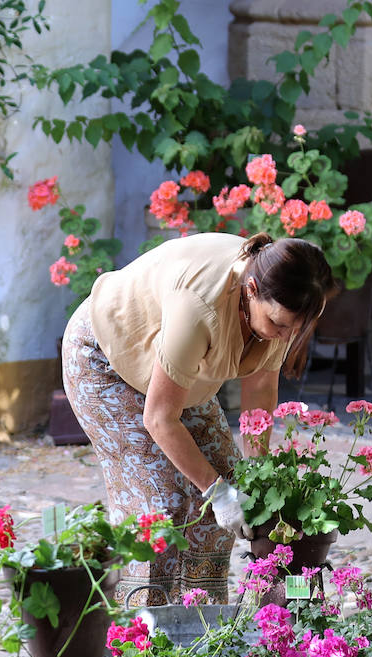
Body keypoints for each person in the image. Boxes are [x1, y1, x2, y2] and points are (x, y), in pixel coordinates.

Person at [61, 231, 336, 603]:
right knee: (161, 505)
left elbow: (259, 394)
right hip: (106, 360)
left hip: (179, 376)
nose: (285, 336)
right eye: (279, 324)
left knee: (233, 480)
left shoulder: (285, 299)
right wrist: (218, 492)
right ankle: (142, 636)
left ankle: (202, 624)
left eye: (295, 327)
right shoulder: (200, 306)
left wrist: (259, 483)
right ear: (251, 290)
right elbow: (159, 418)